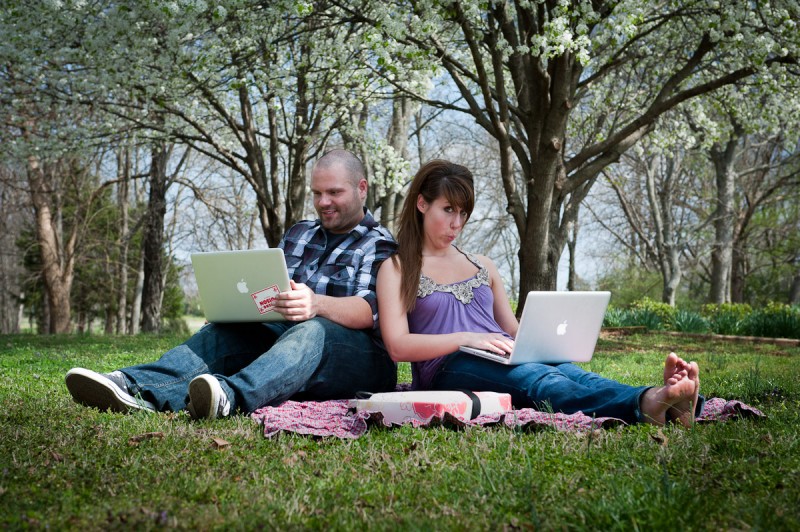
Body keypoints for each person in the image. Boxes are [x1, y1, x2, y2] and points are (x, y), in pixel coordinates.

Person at [66, 149, 398, 419]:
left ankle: (229, 397)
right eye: (317, 193)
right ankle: (134, 386)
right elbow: (273, 290)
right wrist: (238, 309)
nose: (324, 201)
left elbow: (372, 311)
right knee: (224, 333)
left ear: (362, 188)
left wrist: (317, 304)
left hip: (361, 359)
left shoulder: (381, 244)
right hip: (288, 344)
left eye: (334, 192)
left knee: (314, 330)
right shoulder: (300, 234)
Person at [376, 160, 702, 427]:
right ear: (422, 203)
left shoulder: (483, 265)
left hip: (499, 354)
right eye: (448, 210)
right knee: (538, 379)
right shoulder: (397, 267)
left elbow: (513, 329)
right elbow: (397, 346)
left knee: (571, 371)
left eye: (463, 213)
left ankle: (669, 403)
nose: (456, 222)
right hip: (447, 368)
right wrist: (467, 338)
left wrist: (541, 343)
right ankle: (645, 404)